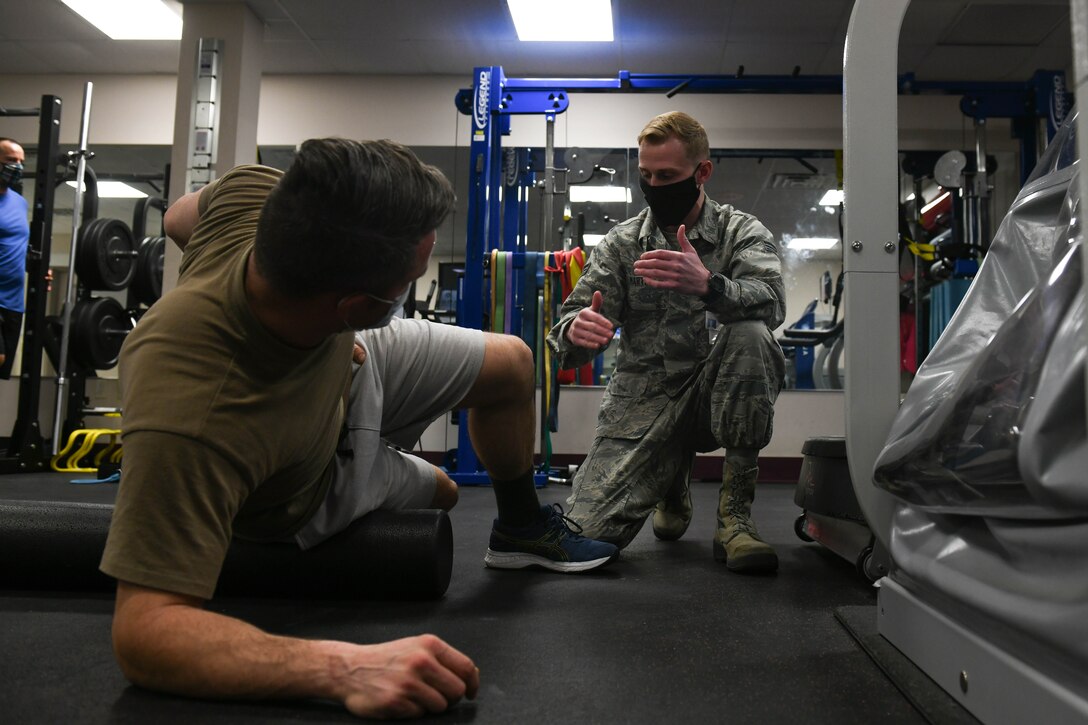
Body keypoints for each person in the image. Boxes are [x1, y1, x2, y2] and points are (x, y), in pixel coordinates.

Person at [100, 138, 618, 719]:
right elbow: (144, 635)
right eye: (409, 281)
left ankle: (521, 530)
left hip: (347, 351)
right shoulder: (198, 414)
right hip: (314, 479)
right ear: (355, 302)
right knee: (442, 494)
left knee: (513, 363)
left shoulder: (255, 200)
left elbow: (177, 215)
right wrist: (341, 665)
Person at [546, 111, 786, 573]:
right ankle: (671, 483)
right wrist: (578, 331)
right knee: (583, 536)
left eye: (669, 176)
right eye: (647, 175)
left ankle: (735, 520)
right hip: (645, 400)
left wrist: (710, 286)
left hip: (715, 393)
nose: (656, 185)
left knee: (751, 334)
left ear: (702, 173)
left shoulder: (740, 232)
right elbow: (571, 322)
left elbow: (772, 304)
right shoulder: (622, 243)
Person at [0, 137, 28, 379]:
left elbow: (17, 245)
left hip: (14, 303)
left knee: (2, 369)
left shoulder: (20, 203)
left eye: (21, 162)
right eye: (10, 161)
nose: (17, 167)